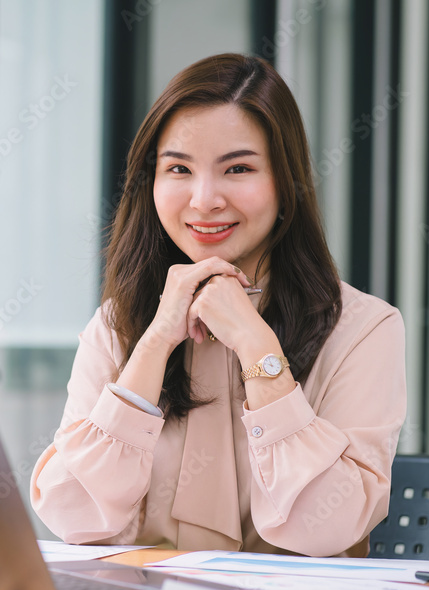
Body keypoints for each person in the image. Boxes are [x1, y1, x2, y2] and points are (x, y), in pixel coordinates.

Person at [29, 53, 407, 558]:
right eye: (179, 168)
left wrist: (256, 346)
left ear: (286, 181)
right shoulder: (118, 326)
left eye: (239, 168)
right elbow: (72, 516)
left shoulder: (363, 329)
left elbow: (327, 529)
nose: (204, 200)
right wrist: (155, 344)